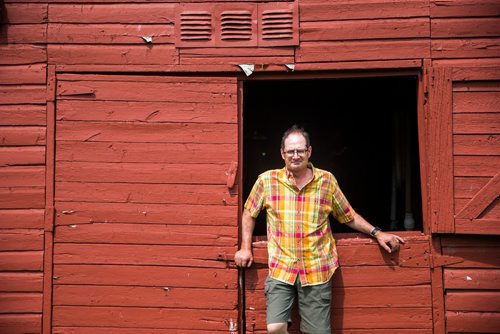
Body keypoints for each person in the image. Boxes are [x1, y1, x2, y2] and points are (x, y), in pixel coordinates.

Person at [234, 125, 405, 334]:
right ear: (282, 153)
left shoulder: (327, 181)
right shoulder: (266, 181)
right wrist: (245, 248)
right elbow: (249, 212)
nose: (295, 155)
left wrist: (377, 233)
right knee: (275, 328)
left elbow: (348, 215)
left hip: (316, 270)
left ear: (309, 152)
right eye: (290, 151)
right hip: (281, 268)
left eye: (300, 150)